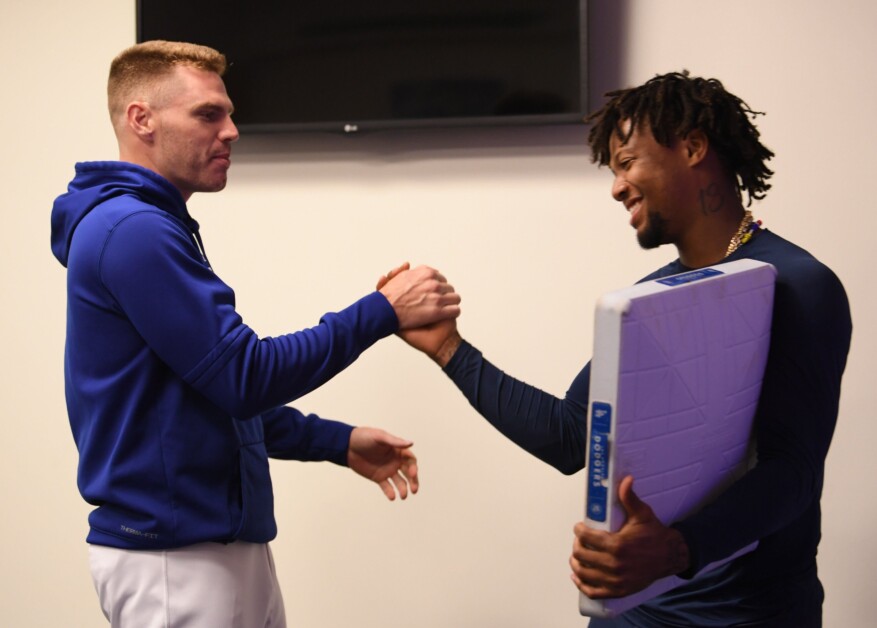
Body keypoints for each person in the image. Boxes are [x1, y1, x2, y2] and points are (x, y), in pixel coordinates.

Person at [390, 71, 852, 626]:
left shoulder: (800, 284)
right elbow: (569, 436)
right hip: (635, 613)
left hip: (750, 615)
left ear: (693, 147)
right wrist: (448, 348)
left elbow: (792, 471)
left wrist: (676, 549)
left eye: (627, 162)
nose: (616, 186)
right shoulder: (651, 304)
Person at [50, 40, 461, 628]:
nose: (232, 131)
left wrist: (335, 442)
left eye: (230, 113)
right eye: (208, 114)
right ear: (141, 119)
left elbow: (209, 396)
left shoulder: (149, 224)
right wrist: (381, 311)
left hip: (213, 550)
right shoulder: (133, 229)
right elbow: (244, 377)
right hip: (173, 559)